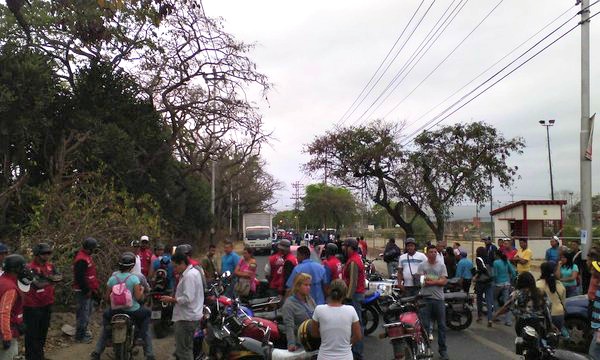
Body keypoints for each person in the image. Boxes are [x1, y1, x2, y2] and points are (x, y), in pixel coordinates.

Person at [90, 252, 154, 360]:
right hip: (133, 311)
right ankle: (148, 351)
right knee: (147, 314)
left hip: (115, 311)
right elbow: (139, 298)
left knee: (105, 322)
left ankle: (98, 351)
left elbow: (106, 298)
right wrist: (142, 292)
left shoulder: (112, 278)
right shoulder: (134, 279)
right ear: (132, 266)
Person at [159, 251, 204, 360]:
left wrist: (172, 300)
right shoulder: (193, 272)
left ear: (183, 263)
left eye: (176, 266)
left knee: (183, 351)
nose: (175, 269)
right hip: (190, 316)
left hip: (186, 318)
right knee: (187, 347)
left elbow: (188, 298)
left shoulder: (189, 276)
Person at [24, 243, 61, 360]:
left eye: (48, 253)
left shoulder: (51, 266)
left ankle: (40, 356)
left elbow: (60, 277)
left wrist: (48, 280)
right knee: (31, 335)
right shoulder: (28, 268)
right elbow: (37, 285)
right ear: (36, 255)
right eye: (44, 253)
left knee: (42, 333)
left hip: (47, 304)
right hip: (32, 306)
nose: (47, 256)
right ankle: (31, 357)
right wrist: (51, 280)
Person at [311, 279, 361, 360]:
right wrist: (348, 343)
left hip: (324, 356)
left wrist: (325, 337)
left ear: (329, 292)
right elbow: (358, 335)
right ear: (344, 294)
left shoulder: (319, 309)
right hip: (345, 356)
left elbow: (314, 333)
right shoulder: (351, 310)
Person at [493, 272, 552, 337]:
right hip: (539, 323)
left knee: (520, 341)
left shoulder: (517, 293)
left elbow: (507, 307)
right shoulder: (541, 292)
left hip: (523, 324)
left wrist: (496, 314)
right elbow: (548, 306)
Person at [417, 245, 449, 360]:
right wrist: (436, 280)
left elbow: (444, 281)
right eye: (431, 252)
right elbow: (421, 280)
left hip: (439, 299)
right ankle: (425, 349)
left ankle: (443, 350)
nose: (433, 254)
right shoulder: (422, 265)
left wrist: (431, 281)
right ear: (427, 254)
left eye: (435, 252)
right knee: (424, 326)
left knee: (441, 325)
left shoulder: (441, 265)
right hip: (425, 299)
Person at [0, 254, 32, 359]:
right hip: (5, 331)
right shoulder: (10, 288)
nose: (24, 269)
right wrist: (7, 336)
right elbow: (4, 312)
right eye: (22, 267)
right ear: (16, 269)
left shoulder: (2, 280)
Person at [341, 238, 365, 359]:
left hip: (354, 296)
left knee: (357, 325)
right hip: (355, 295)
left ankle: (357, 352)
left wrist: (348, 297)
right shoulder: (354, 258)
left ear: (350, 247)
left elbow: (353, 282)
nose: (343, 248)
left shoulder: (354, 261)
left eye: (345, 246)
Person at [73, 237, 100, 343]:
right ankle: (80, 336)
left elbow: (90, 275)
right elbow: (80, 277)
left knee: (86, 313)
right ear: (90, 248)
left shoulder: (86, 257)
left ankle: (83, 333)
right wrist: (87, 290)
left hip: (88, 290)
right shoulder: (81, 259)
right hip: (83, 291)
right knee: (83, 314)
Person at [281, 273, 316, 352]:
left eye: (309, 285)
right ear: (297, 286)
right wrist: (291, 344)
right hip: (301, 343)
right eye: (306, 285)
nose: (308, 287)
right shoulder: (289, 304)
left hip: (313, 341)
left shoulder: (310, 299)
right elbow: (289, 326)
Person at [537, 261, 567, 336]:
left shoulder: (538, 285)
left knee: (543, 337)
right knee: (555, 338)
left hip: (544, 315)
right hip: (559, 314)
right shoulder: (560, 285)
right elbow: (563, 302)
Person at [492, 250, 516, 326]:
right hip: (507, 283)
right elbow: (513, 272)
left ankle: (496, 315)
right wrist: (510, 280)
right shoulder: (506, 261)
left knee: (494, 298)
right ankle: (508, 321)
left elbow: (495, 275)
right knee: (507, 303)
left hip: (498, 284)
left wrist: (494, 282)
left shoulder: (495, 262)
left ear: (496, 255)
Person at [474, 246, 494, 327]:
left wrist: (475, 275)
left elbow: (481, 269)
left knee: (479, 299)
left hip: (481, 282)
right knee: (489, 300)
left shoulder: (478, 259)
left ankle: (480, 316)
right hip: (489, 281)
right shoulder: (488, 258)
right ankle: (490, 319)